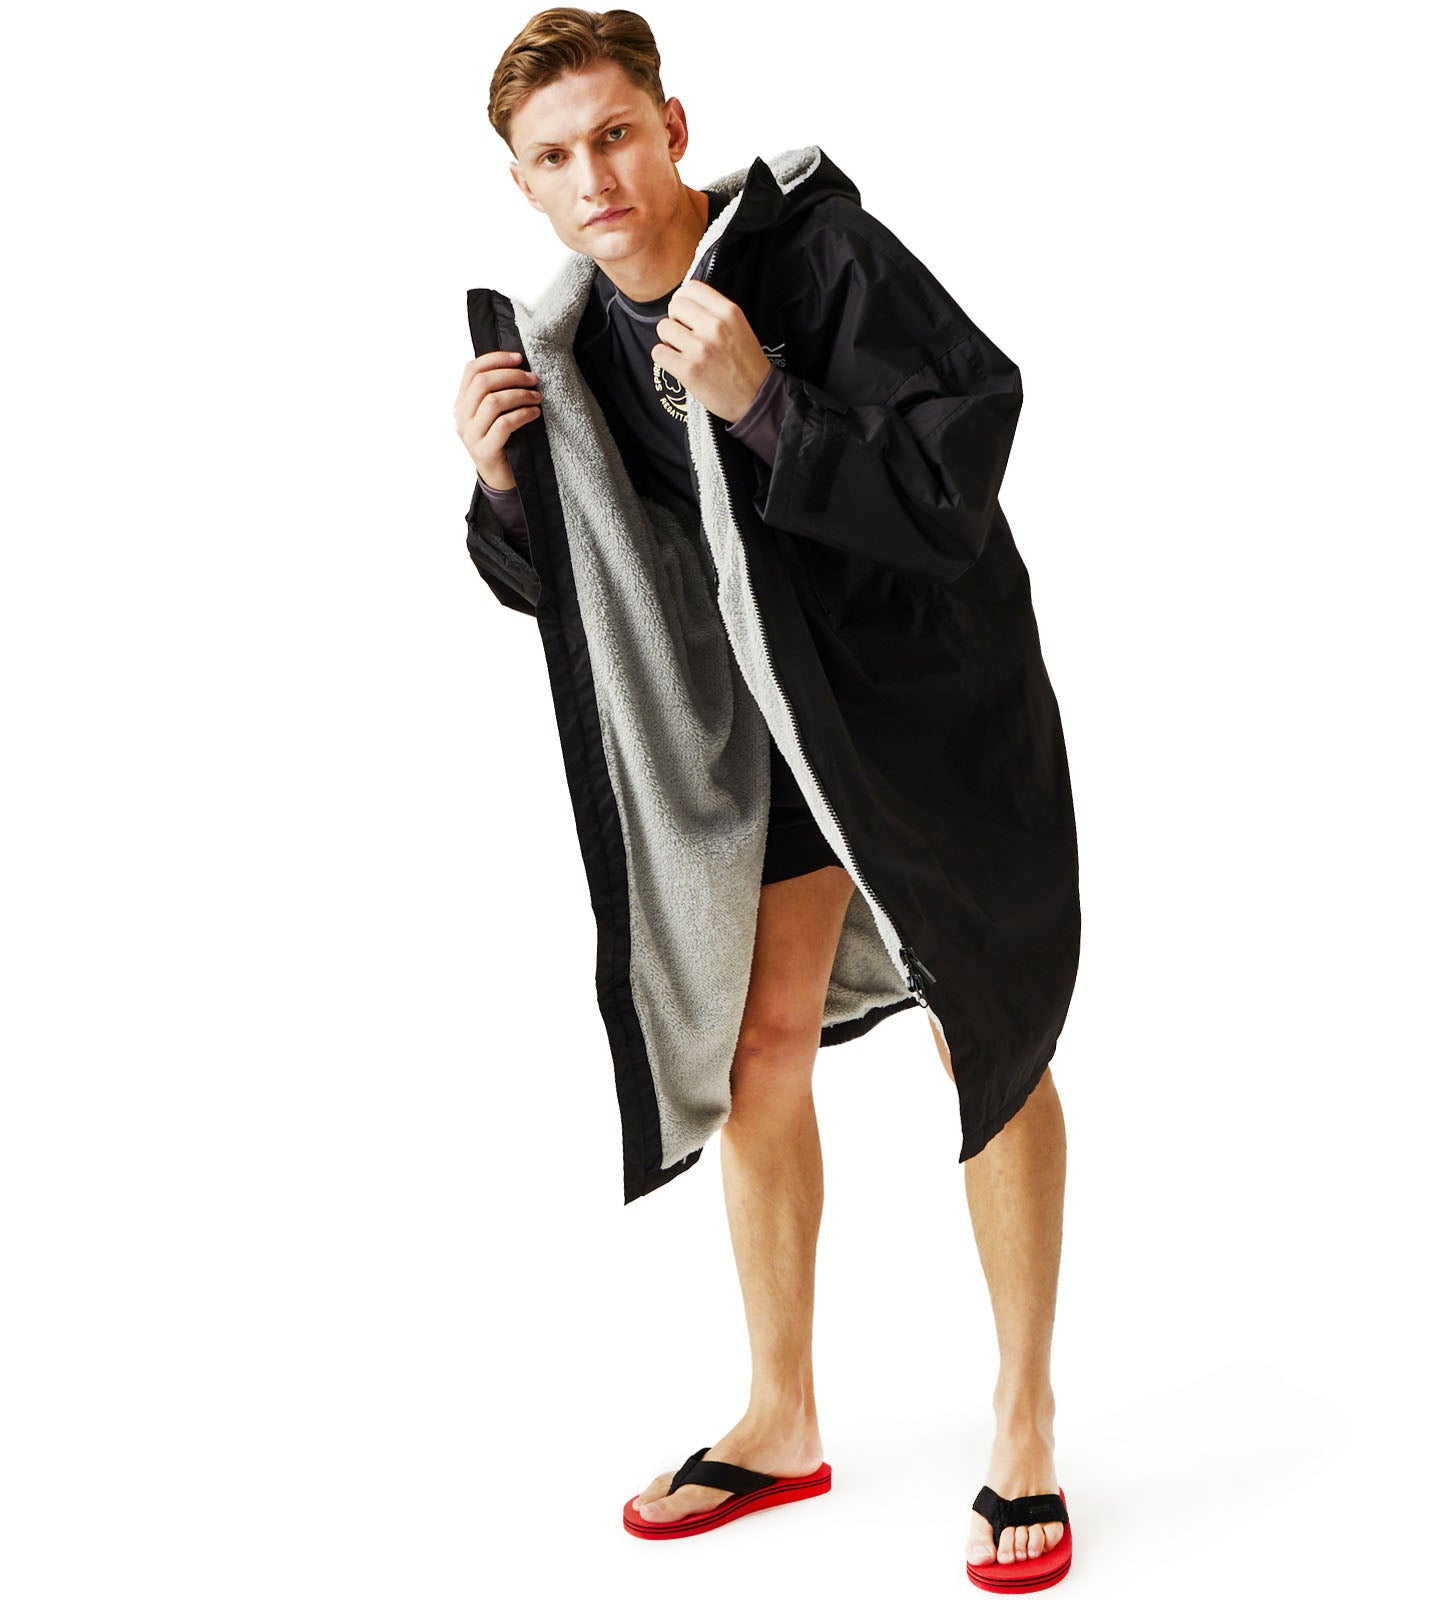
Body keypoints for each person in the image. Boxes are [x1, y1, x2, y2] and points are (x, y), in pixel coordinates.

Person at [451, 9, 1080, 1589]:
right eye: (553, 157)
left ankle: (1023, 1423)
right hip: (771, 732)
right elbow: (589, 588)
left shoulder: (820, 257)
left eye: (613, 134)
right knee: (756, 1048)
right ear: (522, 185)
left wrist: (766, 404)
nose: (593, 177)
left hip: (926, 715)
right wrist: (507, 493)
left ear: (671, 126)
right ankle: (782, 1416)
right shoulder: (576, 349)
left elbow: (965, 459)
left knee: (983, 1032)